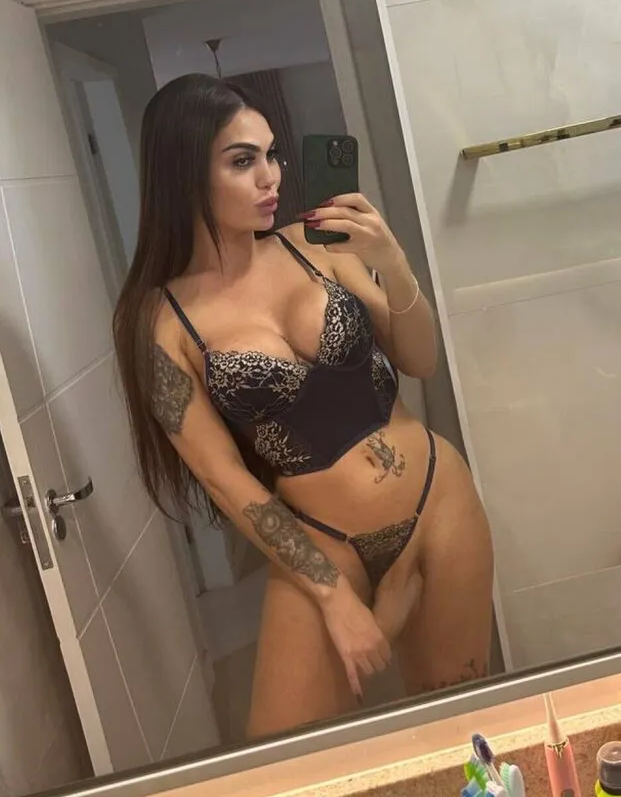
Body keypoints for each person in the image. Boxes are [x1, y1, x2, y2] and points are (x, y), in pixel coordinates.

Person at [113, 73, 494, 739]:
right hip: (324, 544)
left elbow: (421, 359)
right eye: (242, 161)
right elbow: (224, 479)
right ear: (183, 172)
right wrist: (333, 597)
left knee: (460, 732)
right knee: (285, 758)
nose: (271, 178)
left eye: (272, 155)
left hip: (439, 500)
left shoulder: (312, 245)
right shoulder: (162, 322)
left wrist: (391, 262)